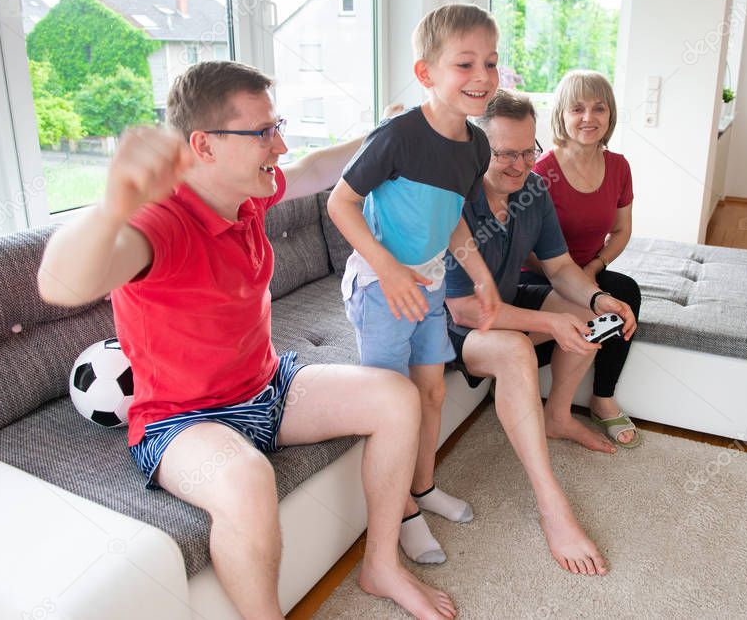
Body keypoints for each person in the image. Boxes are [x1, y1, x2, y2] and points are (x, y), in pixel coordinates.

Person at [37, 61, 456, 620]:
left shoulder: (247, 191)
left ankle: (381, 565)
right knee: (246, 481)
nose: (279, 144)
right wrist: (113, 205)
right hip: (182, 421)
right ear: (203, 146)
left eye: (276, 125)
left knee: (395, 397)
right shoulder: (159, 222)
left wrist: (387, 133)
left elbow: (315, 168)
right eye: (263, 132)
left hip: (267, 387)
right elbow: (60, 286)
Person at [328, 3, 501, 566]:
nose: (482, 76)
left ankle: (422, 488)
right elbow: (341, 203)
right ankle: (400, 511)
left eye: (491, 63)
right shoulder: (397, 137)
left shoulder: (476, 146)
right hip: (382, 291)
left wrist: (480, 277)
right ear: (426, 73)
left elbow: (451, 218)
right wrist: (387, 267)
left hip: (429, 289)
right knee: (394, 404)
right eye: (465, 63)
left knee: (430, 392)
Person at [444, 89, 637, 575]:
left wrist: (596, 297)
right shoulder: (455, 200)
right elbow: (466, 311)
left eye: (527, 151)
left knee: (591, 318)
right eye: (504, 153)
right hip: (449, 326)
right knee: (515, 351)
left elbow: (559, 267)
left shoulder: (532, 190)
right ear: (477, 148)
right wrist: (550, 321)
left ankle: (557, 417)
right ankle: (551, 503)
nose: (518, 164)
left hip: (505, 302)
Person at [525, 70, 643, 447]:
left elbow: (622, 231)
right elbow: (525, 246)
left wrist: (592, 268)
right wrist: (572, 278)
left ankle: (602, 398)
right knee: (589, 304)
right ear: (561, 114)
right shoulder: (542, 171)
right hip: (543, 272)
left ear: (610, 116)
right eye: (577, 108)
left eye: (599, 108)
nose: (588, 118)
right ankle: (554, 409)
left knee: (626, 290)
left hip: (586, 271)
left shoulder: (620, 166)